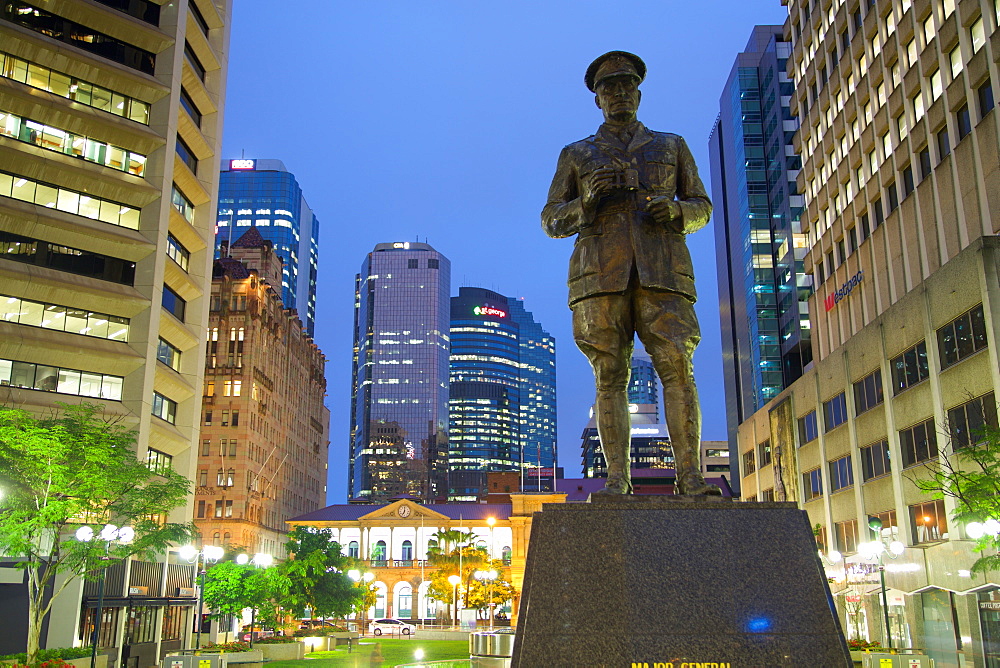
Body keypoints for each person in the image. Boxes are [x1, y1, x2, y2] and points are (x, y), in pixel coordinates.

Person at [542, 51, 721, 496]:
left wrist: (678, 211)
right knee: (609, 373)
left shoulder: (671, 145)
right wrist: (586, 204)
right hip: (599, 274)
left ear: (638, 94)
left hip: (664, 269)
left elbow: (703, 207)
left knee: (678, 366)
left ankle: (691, 478)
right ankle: (617, 479)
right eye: (609, 89)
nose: (618, 94)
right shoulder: (576, 153)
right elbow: (550, 220)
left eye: (626, 87)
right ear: (597, 100)